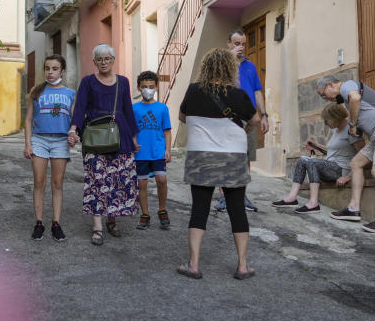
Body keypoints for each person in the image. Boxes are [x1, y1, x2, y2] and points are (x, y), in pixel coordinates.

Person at [176, 48, 260, 280]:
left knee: (199, 209)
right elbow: (255, 119)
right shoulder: (238, 94)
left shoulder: (193, 91)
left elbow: (182, 117)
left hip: (201, 158)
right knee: (237, 209)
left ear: (206, 67)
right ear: (229, 69)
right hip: (232, 158)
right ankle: (242, 266)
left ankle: (193, 265)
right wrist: (245, 128)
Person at [67, 44, 140, 246]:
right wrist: (73, 129)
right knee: (97, 181)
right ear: (94, 62)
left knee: (117, 180)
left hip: (121, 138)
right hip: (95, 138)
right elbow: (80, 107)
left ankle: (111, 220)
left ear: (113, 60)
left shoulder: (123, 82)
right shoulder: (88, 82)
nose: (104, 62)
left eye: (107, 58)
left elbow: (128, 110)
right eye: (100, 59)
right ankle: (97, 226)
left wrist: (134, 139)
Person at [317, 75, 375, 233]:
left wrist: (352, 124)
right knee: (356, 163)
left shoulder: (346, 86)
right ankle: (353, 208)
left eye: (323, 95)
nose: (325, 99)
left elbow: (355, 97)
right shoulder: (344, 95)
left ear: (330, 85)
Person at [271, 103, 363, 212]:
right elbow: (334, 152)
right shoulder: (336, 130)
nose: (325, 123)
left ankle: (313, 203)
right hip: (330, 166)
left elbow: (363, 156)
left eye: (327, 120)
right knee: (302, 159)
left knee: (311, 162)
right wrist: (316, 146)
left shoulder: (350, 131)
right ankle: (292, 197)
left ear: (335, 117)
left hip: (341, 170)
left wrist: (347, 177)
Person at [214, 29, 269, 213]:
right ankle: (223, 196)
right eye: (237, 43)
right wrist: (231, 59)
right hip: (227, 117)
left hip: (249, 118)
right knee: (226, 157)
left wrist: (264, 115)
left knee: (245, 158)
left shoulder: (250, 66)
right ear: (229, 43)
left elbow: (257, 91)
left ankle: (241, 195)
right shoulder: (222, 65)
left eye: (243, 44)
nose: (241, 47)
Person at [24, 55, 75, 241]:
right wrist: (28, 144)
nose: (50, 72)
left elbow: (73, 121)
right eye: (47, 68)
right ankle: (39, 223)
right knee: (39, 182)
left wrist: (73, 135)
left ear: (62, 71)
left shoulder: (70, 94)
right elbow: (28, 119)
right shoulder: (35, 92)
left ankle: (56, 223)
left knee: (57, 184)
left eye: (54, 69)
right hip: (39, 140)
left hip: (60, 142)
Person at [132, 70, 172, 230]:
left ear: (156, 87)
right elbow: (131, 130)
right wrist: (133, 143)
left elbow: (167, 131)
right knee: (142, 184)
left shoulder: (162, 108)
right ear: (138, 88)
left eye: (151, 86)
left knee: (161, 180)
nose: (148, 89)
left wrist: (167, 150)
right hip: (141, 152)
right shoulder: (134, 108)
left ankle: (162, 209)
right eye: (144, 87)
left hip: (157, 151)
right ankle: (145, 214)